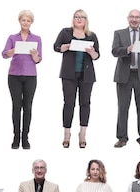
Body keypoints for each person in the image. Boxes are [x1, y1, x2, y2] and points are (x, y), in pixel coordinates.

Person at [53, 9, 100, 148]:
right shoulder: (65, 32)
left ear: (86, 20)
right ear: (73, 19)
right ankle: (67, 134)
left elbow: (97, 56)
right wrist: (65, 47)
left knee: (85, 103)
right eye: (76, 17)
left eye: (82, 17)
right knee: (69, 103)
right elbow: (56, 47)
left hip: (86, 75)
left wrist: (92, 53)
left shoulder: (91, 35)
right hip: (69, 74)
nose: (79, 19)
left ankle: (82, 134)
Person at [112, 9, 140, 148]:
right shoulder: (119, 33)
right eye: (132, 17)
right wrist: (127, 49)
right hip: (124, 75)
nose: (134, 19)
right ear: (128, 18)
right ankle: (122, 138)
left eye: (137, 17)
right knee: (123, 108)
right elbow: (114, 51)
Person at [2, 10, 41, 149]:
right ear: (20, 21)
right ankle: (16, 137)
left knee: (28, 107)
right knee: (16, 106)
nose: (25, 23)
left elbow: (38, 60)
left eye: (28, 21)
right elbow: (4, 54)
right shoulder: (13, 37)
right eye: (23, 20)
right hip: (14, 75)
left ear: (31, 22)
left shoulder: (36, 39)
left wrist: (35, 55)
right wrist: (13, 50)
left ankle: (25, 137)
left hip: (30, 76)